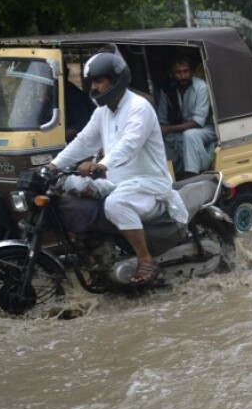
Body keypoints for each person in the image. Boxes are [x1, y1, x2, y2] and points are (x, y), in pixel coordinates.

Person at [47, 51, 188, 285]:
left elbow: (128, 146)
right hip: (116, 183)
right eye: (92, 82)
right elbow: (83, 141)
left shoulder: (139, 108)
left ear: (116, 80)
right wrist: (53, 165)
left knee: (115, 204)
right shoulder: (102, 112)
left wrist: (100, 165)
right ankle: (93, 256)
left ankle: (145, 259)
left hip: (149, 185)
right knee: (69, 186)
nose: (94, 87)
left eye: (99, 81)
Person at [157, 56, 216, 179]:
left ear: (191, 72)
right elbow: (162, 121)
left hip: (206, 129)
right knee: (162, 139)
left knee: (190, 135)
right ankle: (173, 175)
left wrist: (169, 129)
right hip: (181, 129)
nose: (183, 76)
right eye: (178, 72)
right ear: (171, 74)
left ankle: (192, 176)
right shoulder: (167, 91)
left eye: (186, 71)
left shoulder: (201, 87)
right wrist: (163, 131)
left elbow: (198, 122)